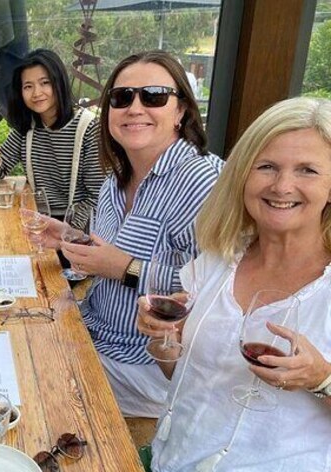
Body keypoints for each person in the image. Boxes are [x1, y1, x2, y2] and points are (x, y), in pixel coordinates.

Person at [136, 96, 331, 472]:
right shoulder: (220, 259)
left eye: (307, 170)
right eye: (267, 166)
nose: (282, 185)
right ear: (243, 174)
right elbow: (181, 375)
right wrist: (164, 341)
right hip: (177, 456)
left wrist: (321, 378)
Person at [31, 51, 223, 417]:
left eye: (153, 96)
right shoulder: (117, 176)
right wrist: (71, 236)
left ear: (181, 111)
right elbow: (111, 253)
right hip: (93, 330)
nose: (135, 108)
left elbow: (218, 289)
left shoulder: (200, 180)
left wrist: (126, 269)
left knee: (32, 381)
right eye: (121, 98)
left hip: (145, 364)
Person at [0, 48, 104, 221]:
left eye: (45, 83)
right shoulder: (26, 127)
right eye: (28, 86)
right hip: (37, 218)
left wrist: (66, 231)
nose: (37, 93)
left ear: (59, 83)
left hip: (76, 226)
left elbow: (98, 198)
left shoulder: (89, 129)